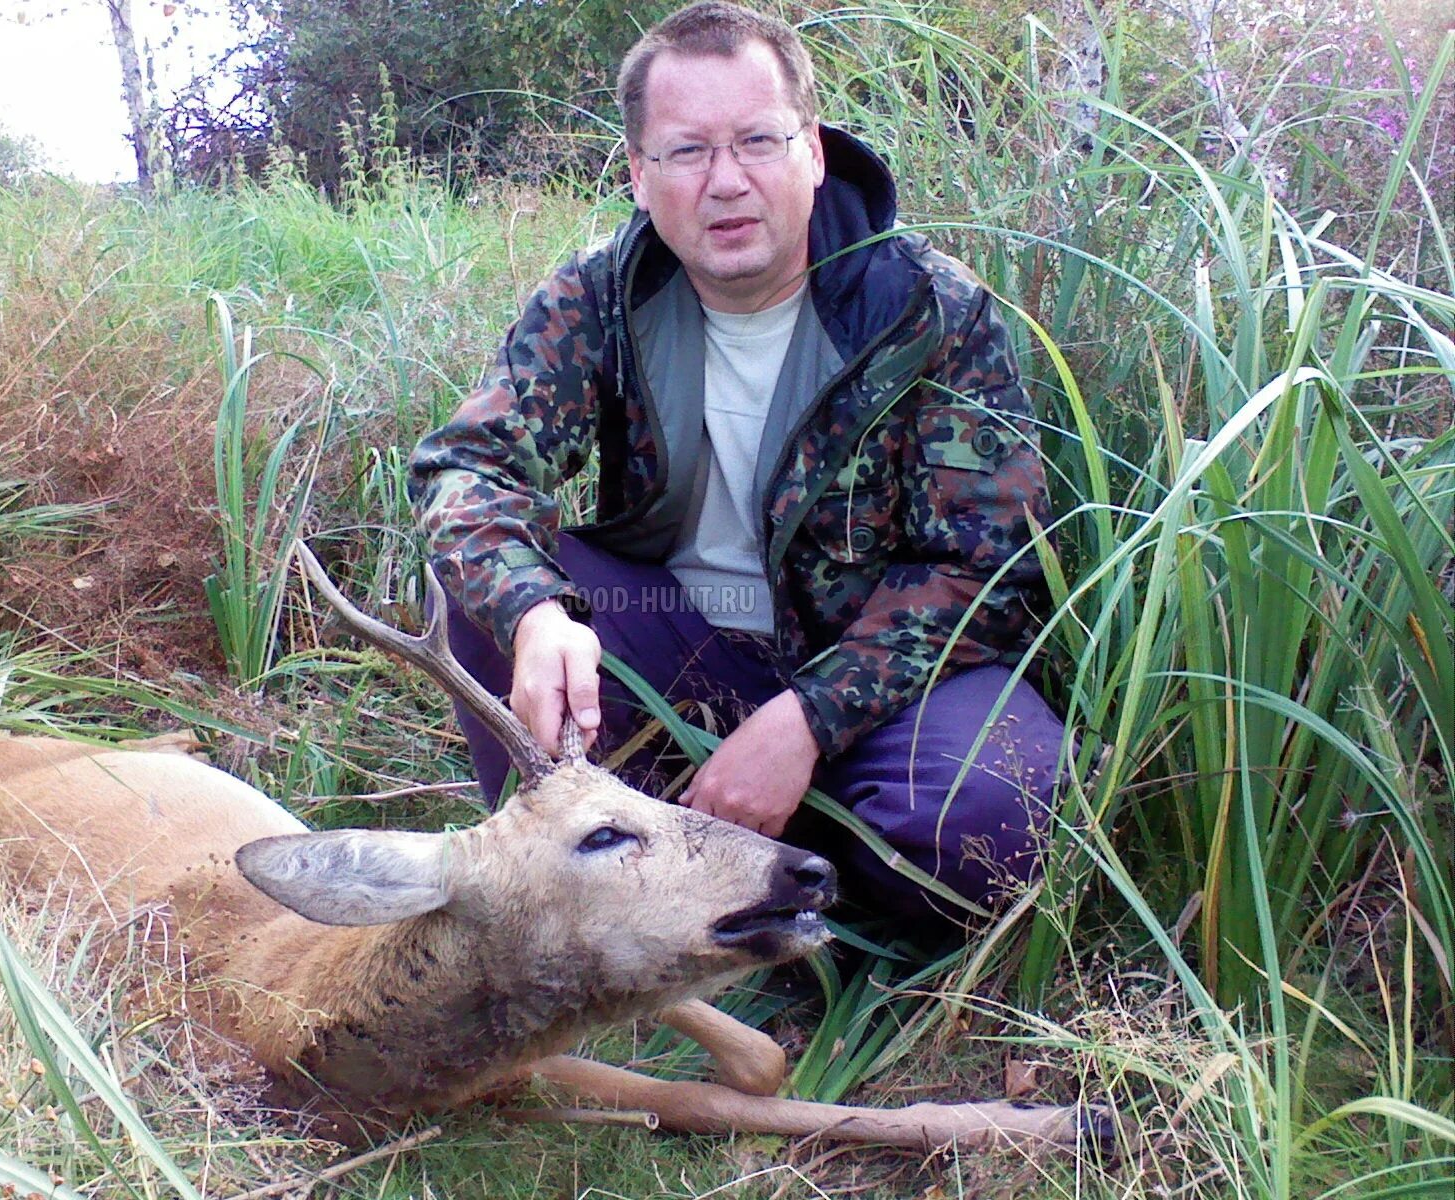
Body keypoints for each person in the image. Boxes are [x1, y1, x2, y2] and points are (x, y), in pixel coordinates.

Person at [409, 1, 1062, 930]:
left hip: (871, 672)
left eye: (758, 140)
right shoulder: (599, 295)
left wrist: (806, 720)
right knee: (486, 595)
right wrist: (535, 615)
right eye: (685, 151)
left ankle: (773, 892)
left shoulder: (925, 309)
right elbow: (464, 468)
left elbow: (992, 569)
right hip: (675, 639)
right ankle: (590, 908)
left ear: (814, 151)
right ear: (639, 174)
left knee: (995, 820)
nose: (726, 183)